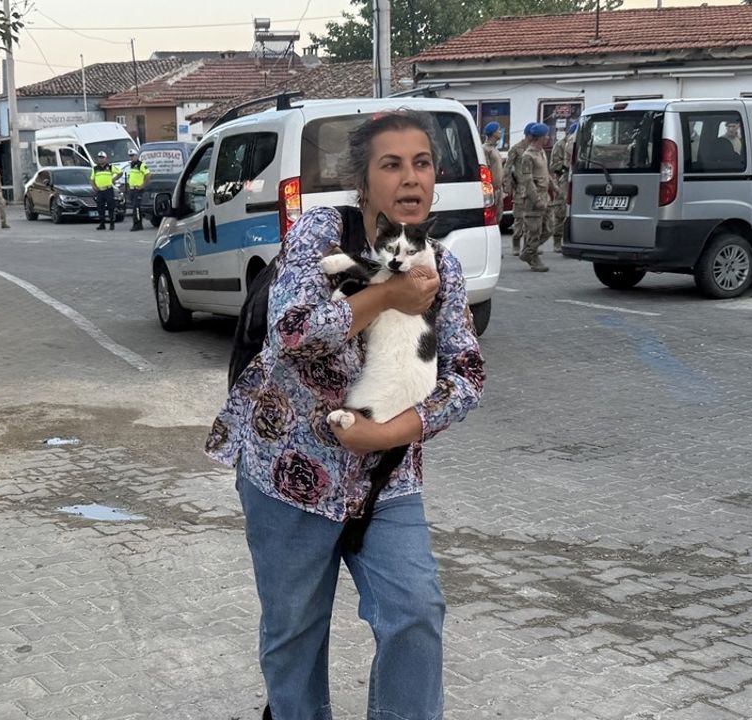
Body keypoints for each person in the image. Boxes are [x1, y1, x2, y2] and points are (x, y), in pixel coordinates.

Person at [205, 109, 484, 720]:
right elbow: (291, 330)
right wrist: (387, 294)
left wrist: (389, 434)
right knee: (294, 635)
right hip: (288, 473)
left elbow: (466, 376)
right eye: (392, 165)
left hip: (386, 478)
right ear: (363, 181)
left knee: (415, 611)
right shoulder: (318, 233)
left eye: (422, 164)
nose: (410, 178)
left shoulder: (444, 266)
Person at [516, 122, 552, 272]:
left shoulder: (541, 153)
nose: (548, 138)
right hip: (532, 199)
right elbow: (527, 180)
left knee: (549, 227)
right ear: (540, 137)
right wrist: (536, 200)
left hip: (545, 195)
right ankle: (532, 256)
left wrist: (554, 187)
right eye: (546, 135)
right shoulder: (528, 156)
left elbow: (545, 174)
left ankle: (527, 252)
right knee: (534, 230)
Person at [545, 121, 577, 253]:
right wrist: (565, 166)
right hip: (564, 180)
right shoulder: (560, 145)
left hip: (576, 179)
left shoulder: (580, 143)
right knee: (561, 211)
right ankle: (557, 241)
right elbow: (553, 166)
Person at [503, 122, 534, 256]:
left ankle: (529, 246)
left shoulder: (535, 149)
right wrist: (508, 185)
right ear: (529, 135)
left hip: (532, 188)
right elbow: (508, 168)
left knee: (531, 219)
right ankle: (516, 244)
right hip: (520, 188)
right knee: (519, 219)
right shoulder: (516, 149)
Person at [89, 151, 122, 230]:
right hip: (100, 191)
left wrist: (114, 179)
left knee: (111, 207)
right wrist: (94, 186)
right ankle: (102, 224)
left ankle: (111, 224)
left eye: (102, 158)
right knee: (100, 208)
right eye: (99, 158)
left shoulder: (110, 167)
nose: (101, 159)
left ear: (106, 159)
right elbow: (92, 179)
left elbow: (120, 172)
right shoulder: (95, 168)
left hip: (108, 190)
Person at [124, 149, 151, 231]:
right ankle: (138, 224)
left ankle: (137, 224)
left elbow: (148, 175)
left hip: (138, 189)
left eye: (133, 156)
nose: (131, 157)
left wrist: (142, 185)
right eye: (130, 156)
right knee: (134, 207)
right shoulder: (131, 165)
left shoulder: (141, 165)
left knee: (136, 207)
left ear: (137, 156)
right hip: (132, 189)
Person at [481, 121, 504, 217]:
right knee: (491, 217)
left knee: (498, 216)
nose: (500, 132)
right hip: (491, 190)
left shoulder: (494, 149)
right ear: (493, 133)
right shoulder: (485, 149)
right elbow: (486, 169)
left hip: (499, 189)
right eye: (498, 130)